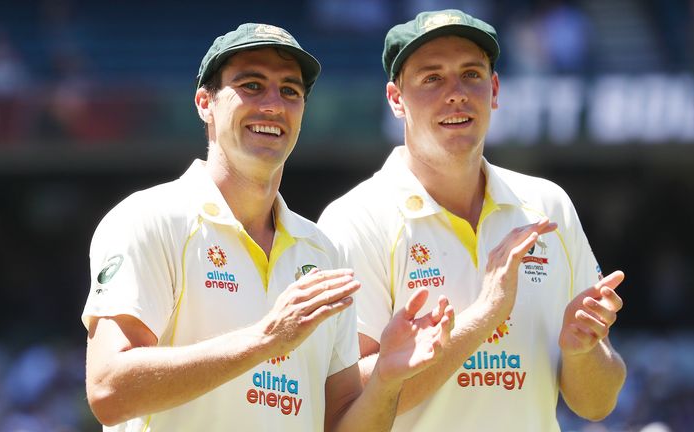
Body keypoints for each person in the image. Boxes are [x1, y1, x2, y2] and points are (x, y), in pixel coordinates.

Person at [81, 23, 453, 432]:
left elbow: (340, 424)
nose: (274, 105)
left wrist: (384, 378)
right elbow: (108, 390)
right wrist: (263, 340)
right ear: (205, 102)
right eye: (252, 85)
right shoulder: (150, 218)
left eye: (290, 91)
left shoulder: (323, 252)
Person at [318, 9, 626, 431]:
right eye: (432, 78)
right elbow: (343, 413)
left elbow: (598, 403)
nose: (457, 93)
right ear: (395, 99)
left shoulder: (547, 206)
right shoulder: (356, 220)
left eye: (471, 74)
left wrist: (583, 353)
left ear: (494, 89)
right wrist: (485, 313)